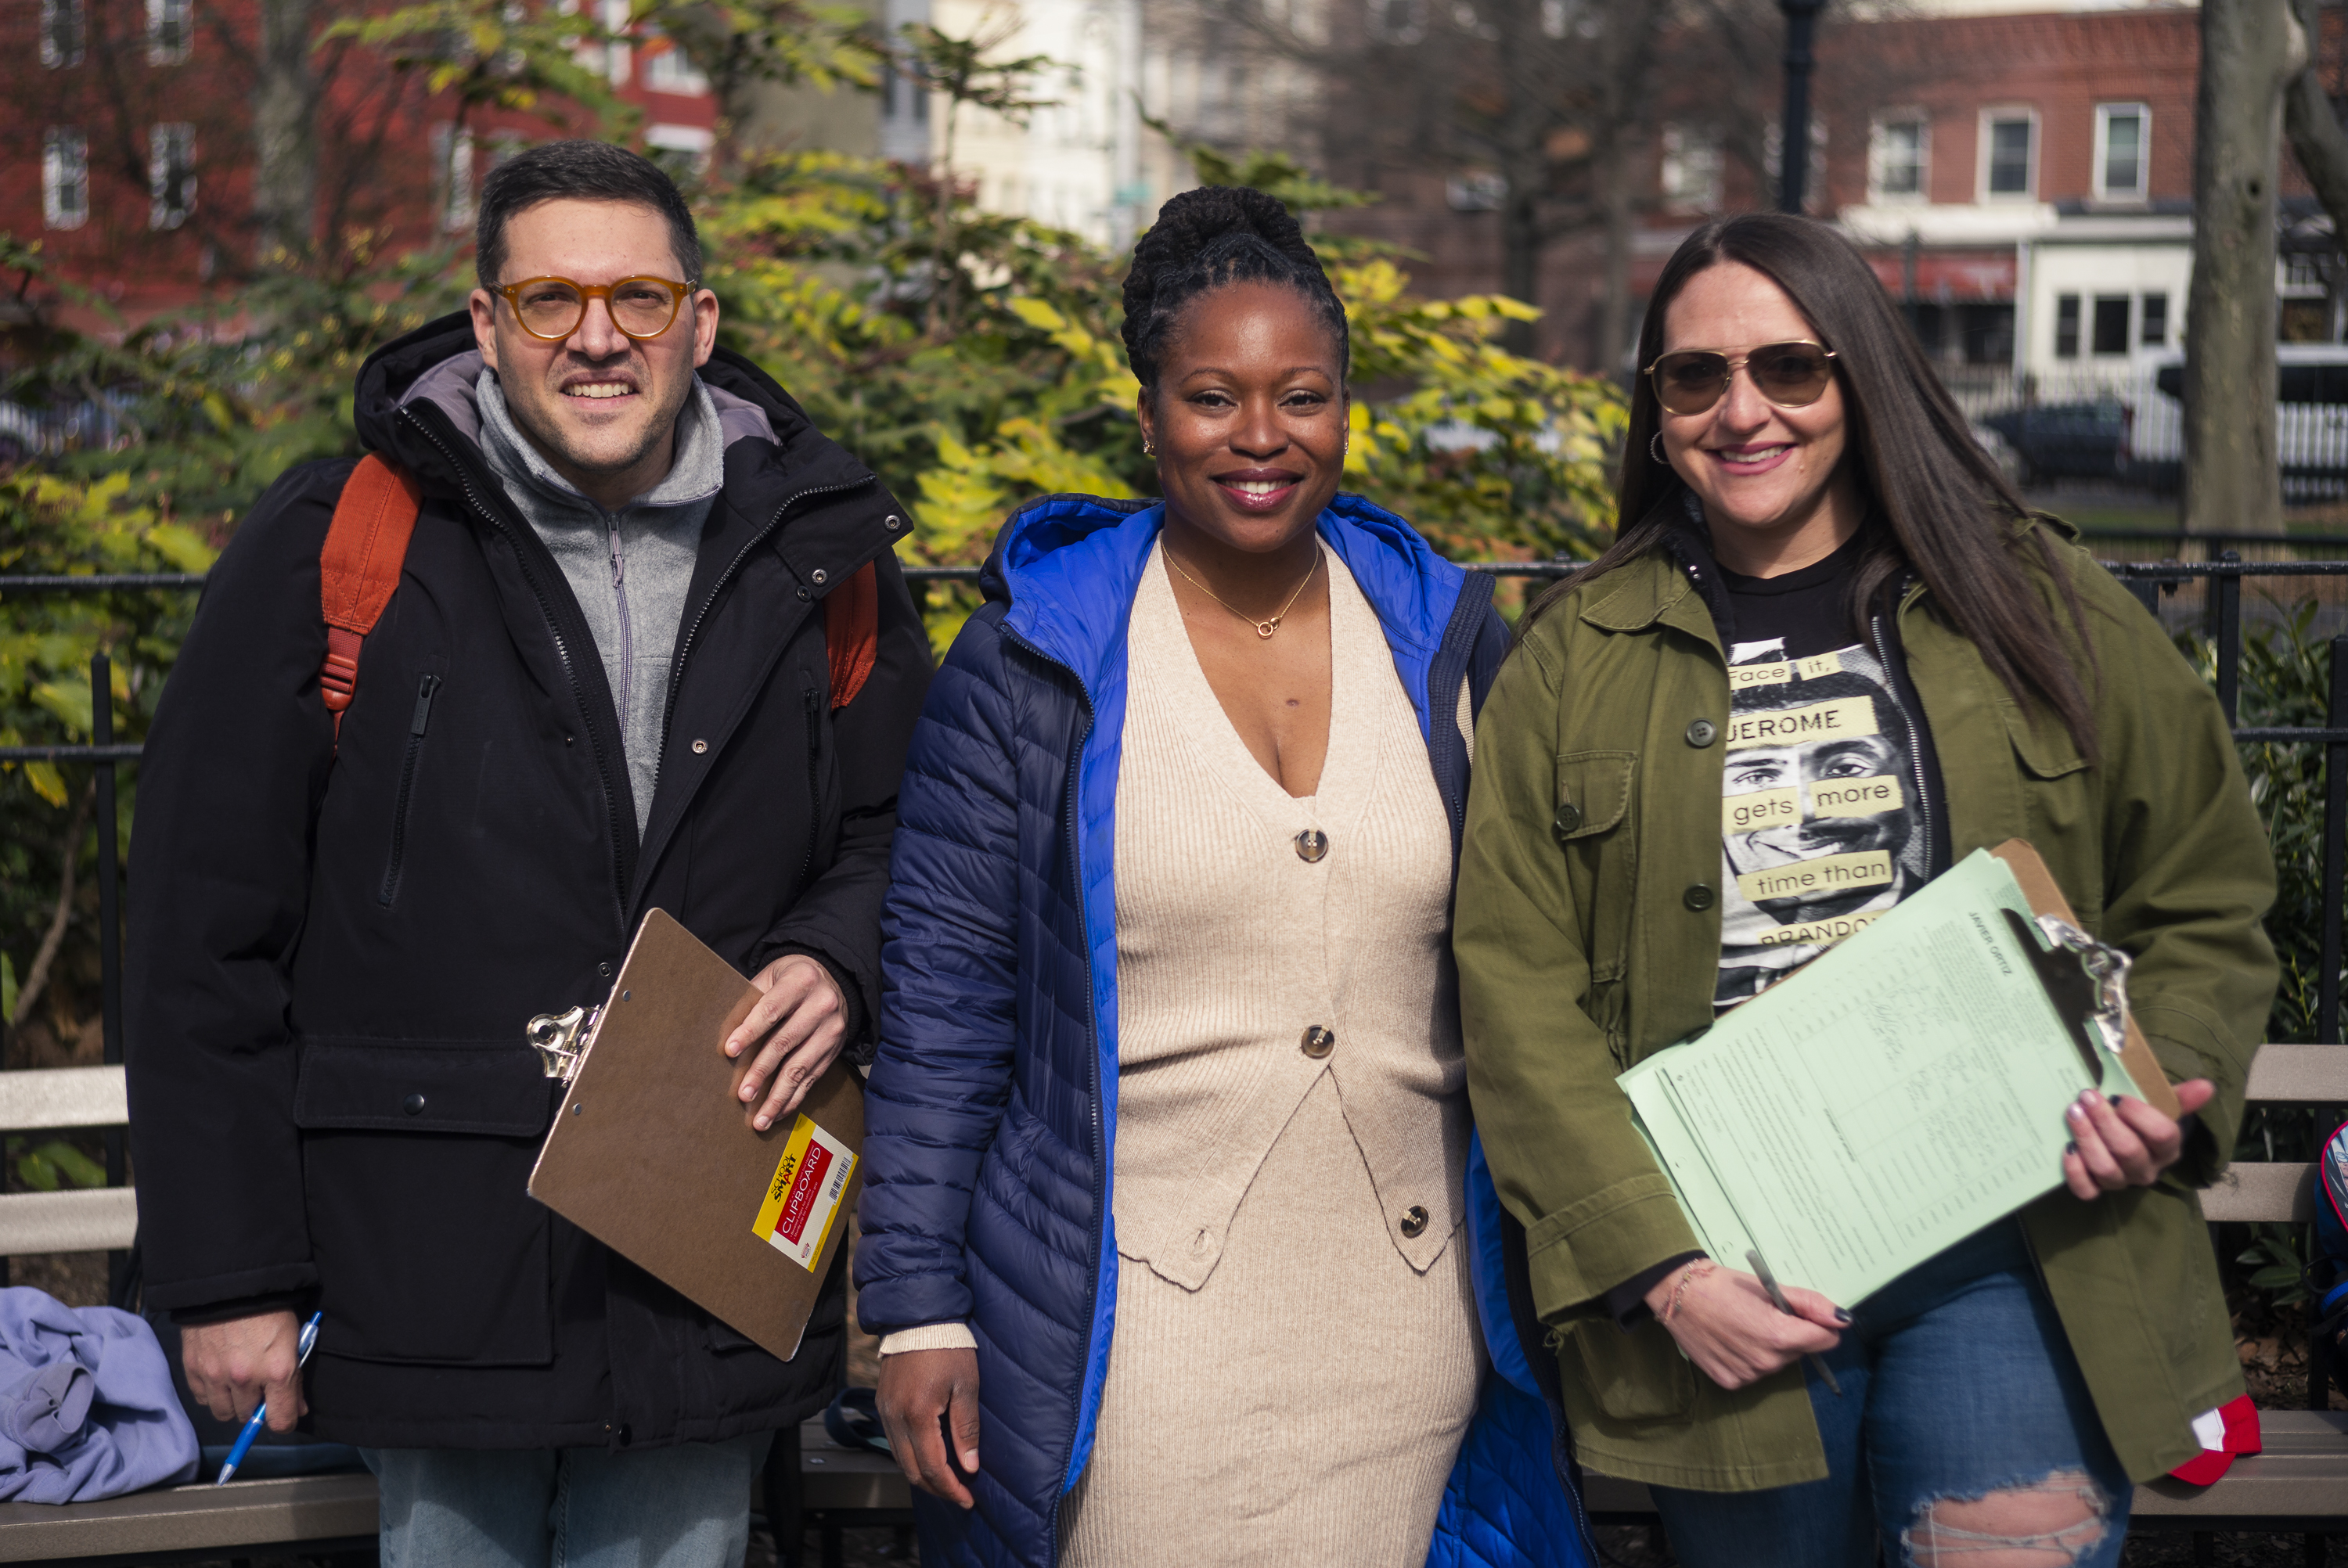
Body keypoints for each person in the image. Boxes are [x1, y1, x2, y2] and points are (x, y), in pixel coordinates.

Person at [124, 140, 931, 1566]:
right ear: (488, 323)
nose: (599, 335)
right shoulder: (342, 538)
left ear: (702, 320)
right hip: (430, 1267)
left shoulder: (821, 549)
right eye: (551, 297)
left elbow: (898, 834)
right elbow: (200, 934)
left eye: (639, 294)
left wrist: (837, 956)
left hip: (705, 1240)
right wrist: (231, 1279)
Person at [1455, 210, 2278, 1568]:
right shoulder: (1573, 657)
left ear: (1862, 381)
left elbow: (2202, 886)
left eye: (1790, 368)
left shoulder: (2037, 605)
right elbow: (1516, 990)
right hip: (1732, 1285)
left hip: (2025, 1246)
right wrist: (1660, 1272)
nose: (1743, 411)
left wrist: (2160, 1078)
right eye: (1694, 377)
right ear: (1655, 416)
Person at [852, 186, 1587, 1568]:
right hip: (1132, 1332)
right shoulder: (1034, 661)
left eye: (1302, 396)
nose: (1261, 437)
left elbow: (1540, 965)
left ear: (1347, 412)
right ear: (1148, 419)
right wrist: (918, 1306)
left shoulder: (1442, 641)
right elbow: (946, 1003)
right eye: (1212, 397)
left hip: (1408, 1314)